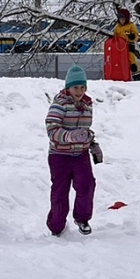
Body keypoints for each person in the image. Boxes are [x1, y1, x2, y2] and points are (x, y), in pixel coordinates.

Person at [45, 64, 100, 235]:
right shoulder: (59, 104)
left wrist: (92, 144)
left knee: (87, 185)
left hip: (80, 155)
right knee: (60, 191)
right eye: (76, 87)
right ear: (68, 87)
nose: (80, 91)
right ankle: (56, 226)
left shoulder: (87, 105)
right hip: (60, 156)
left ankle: (82, 218)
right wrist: (70, 136)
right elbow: (52, 129)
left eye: (83, 87)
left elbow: (84, 130)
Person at [104, 7, 139, 82]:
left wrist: (132, 36)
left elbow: (136, 35)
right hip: (119, 47)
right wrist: (112, 38)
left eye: (123, 19)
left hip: (128, 45)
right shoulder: (117, 27)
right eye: (120, 19)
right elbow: (115, 36)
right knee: (119, 60)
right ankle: (119, 73)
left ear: (127, 19)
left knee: (131, 59)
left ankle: (136, 74)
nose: (122, 21)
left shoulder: (131, 26)